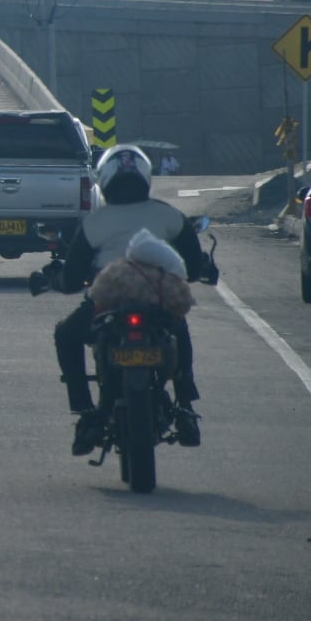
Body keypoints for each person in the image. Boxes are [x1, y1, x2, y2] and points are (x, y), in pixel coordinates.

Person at [53, 144, 205, 454]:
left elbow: (71, 280)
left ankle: (84, 409)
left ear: (105, 179)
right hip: (158, 301)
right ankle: (185, 403)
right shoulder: (168, 214)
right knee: (179, 328)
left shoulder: (93, 223)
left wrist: (55, 279)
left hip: (108, 301)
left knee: (66, 334)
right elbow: (194, 265)